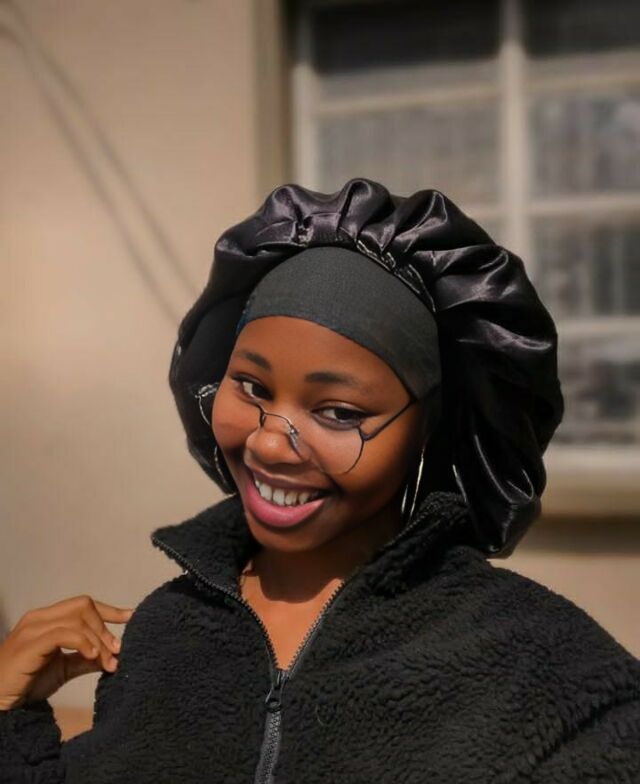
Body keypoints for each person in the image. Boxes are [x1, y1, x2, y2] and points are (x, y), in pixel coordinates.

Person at [1, 178, 638, 783]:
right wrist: (8, 712)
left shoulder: (542, 669)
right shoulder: (162, 634)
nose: (268, 442)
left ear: (426, 431)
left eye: (338, 412)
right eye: (251, 387)